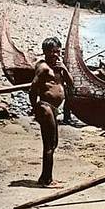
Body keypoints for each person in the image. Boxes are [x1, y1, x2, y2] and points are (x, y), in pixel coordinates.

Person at [29, 37, 73, 187]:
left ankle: (46, 177)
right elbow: (33, 89)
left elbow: (71, 83)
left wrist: (64, 69)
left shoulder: (58, 67)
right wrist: (35, 108)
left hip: (53, 109)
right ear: (45, 52)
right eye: (51, 52)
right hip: (45, 107)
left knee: (53, 144)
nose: (55, 54)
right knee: (49, 144)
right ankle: (46, 180)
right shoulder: (43, 68)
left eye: (57, 51)